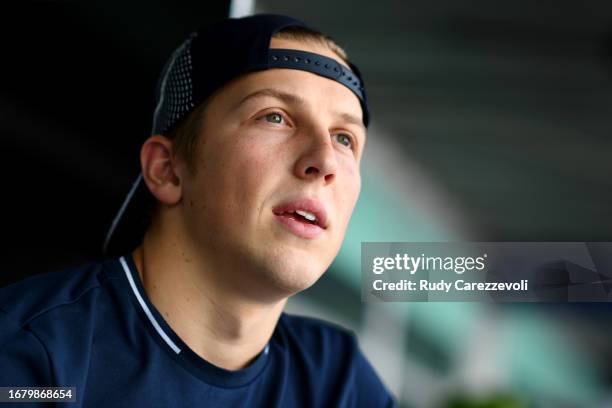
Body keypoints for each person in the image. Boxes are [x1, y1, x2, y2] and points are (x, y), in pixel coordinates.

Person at [0, 14, 395, 407]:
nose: (324, 160)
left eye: (345, 139)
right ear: (168, 170)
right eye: (275, 117)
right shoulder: (31, 356)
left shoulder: (340, 382)